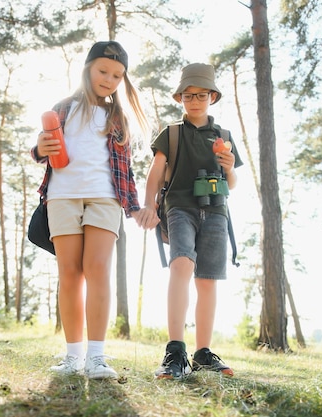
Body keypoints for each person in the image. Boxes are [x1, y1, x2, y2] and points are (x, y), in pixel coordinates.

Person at [30, 41, 152, 380]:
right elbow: (43, 148)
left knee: (97, 269)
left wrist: (133, 206)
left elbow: (124, 168)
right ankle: (72, 356)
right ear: (87, 69)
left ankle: (96, 356)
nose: (109, 79)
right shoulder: (64, 108)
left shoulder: (118, 117)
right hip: (62, 196)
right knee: (70, 273)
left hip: (105, 198)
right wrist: (40, 147)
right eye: (103, 71)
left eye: (117, 76)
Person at [137, 63, 243, 379]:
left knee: (208, 279)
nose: (194, 100)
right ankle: (175, 351)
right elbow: (155, 171)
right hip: (179, 207)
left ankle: (203, 353)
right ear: (180, 97)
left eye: (200, 95)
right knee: (181, 265)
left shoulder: (223, 136)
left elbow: (232, 184)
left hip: (215, 213)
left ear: (212, 96)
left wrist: (229, 166)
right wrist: (148, 205)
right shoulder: (171, 134)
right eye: (187, 95)